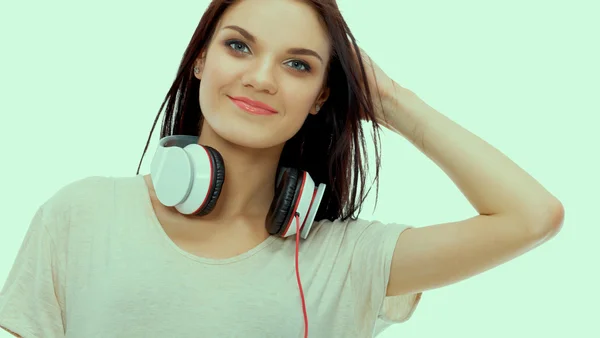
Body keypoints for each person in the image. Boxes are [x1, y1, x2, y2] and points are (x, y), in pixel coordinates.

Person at [0, 0, 565, 337]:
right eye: (239, 47)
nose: (262, 77)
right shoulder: (82, 215)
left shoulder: (346, 260)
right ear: (201, 58)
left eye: (298, 64)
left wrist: (388, 97)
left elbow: (533, 216)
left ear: (322, 95)